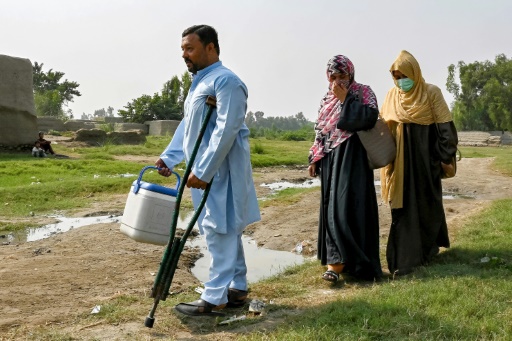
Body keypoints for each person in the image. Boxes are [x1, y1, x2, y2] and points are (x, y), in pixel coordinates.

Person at [155, 24, 261, 316]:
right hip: (203, 174)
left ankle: (215, 297)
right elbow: (189, 128)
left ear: (211, 47)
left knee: (218, 229)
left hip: (220, 173)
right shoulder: (200, 84)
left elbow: (227, 129)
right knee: (224, 228)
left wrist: (203, 170)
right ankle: (237, 287)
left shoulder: (227, 82)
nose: (184, 55)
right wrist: (169, 157)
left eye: (190, 48)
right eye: (182, 50)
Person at [380, 50, 458, 275]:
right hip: (398, 165)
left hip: (426, 162)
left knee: (426, 206)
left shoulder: (431, 92)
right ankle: (403, 261)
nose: (400, 80)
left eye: (404, 74)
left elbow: (446, 129)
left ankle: (427, 250)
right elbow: (384, 129)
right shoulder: (391, 96)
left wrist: (443, 159)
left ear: (415, 71)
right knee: (401, 209)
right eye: (395, 76)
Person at [308, 55, 383, 283]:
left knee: (350, 207)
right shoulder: (325, 99)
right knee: (331, 208)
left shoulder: (363, 92)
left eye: (343, 76)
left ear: (351, 75)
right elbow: (321, 131)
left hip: (354, 158)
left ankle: (356, 263)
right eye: (333, 76)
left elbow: (369, 119)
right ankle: (336, 262)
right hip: (331, 160)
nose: (338, 81)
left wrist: (346, 100)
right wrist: (314, 158)